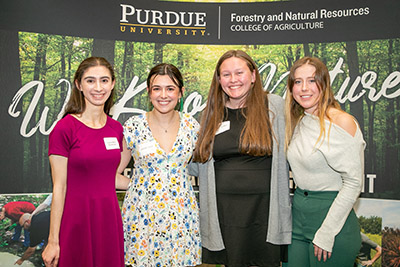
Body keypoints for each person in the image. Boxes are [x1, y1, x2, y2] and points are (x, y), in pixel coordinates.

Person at [190, 50, 292, 267]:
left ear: (253, 75)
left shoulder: (274, 106)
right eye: (226, 74)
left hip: (265, 212)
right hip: (224, 212)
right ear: (218, 80)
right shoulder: (211, 113)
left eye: (239, 72)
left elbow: (294, 148)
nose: (233, 80)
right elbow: (196, 162)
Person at [42, 57, 129, 267]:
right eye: (90, 81)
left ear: (113, 84)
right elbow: (59, 186)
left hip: (108, 219)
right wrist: (53, 240)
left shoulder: (116, 129)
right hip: (76, 219)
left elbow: (111, 177)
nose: (98, 87)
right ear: (79, 85)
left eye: (104, 80)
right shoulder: (65, 128)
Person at [117, 63, 201, 266]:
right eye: (157, 88)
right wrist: (139, 186)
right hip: (142, 215)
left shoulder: (192, 126)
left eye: (170, 88)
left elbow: (205, 169)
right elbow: (113, 173)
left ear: (181, 92)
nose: (163, 95)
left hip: (181, 214)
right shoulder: (133, 126)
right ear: (148, 92)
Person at [285, 56, 365, 266]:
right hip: (298, 218)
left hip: (332, 221)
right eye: (298, 81)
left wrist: (327, 232)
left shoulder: (341, 122)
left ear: (324, 84)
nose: (304, 88)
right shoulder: (300, 121)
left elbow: (354, 183)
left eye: (312, 80)